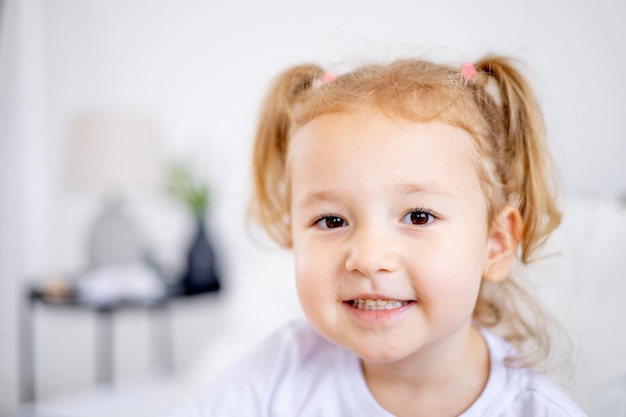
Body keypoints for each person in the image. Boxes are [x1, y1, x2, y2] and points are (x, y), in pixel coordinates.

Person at [171, 55, 586, 416]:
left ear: (495, 243)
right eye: (331, 220)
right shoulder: (280, 372)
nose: (368, 258)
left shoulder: (535, 409)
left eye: (418, 216)